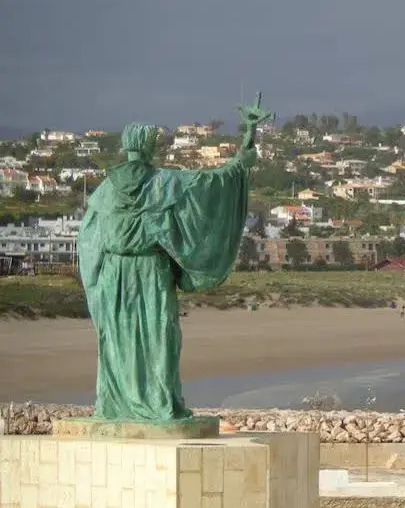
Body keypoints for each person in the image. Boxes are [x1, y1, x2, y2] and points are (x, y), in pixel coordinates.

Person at [77, 95, 272, 421]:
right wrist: (245, 146)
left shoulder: (105, 191)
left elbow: (88, 242)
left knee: (118, 343)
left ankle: (120, 405)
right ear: (149, 146)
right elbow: (213, 183)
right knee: (160, 341)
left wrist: (95, 283)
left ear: (126, 145)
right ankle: (157, 403)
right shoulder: (164, 183)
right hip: (151, 271)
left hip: (112, 274)